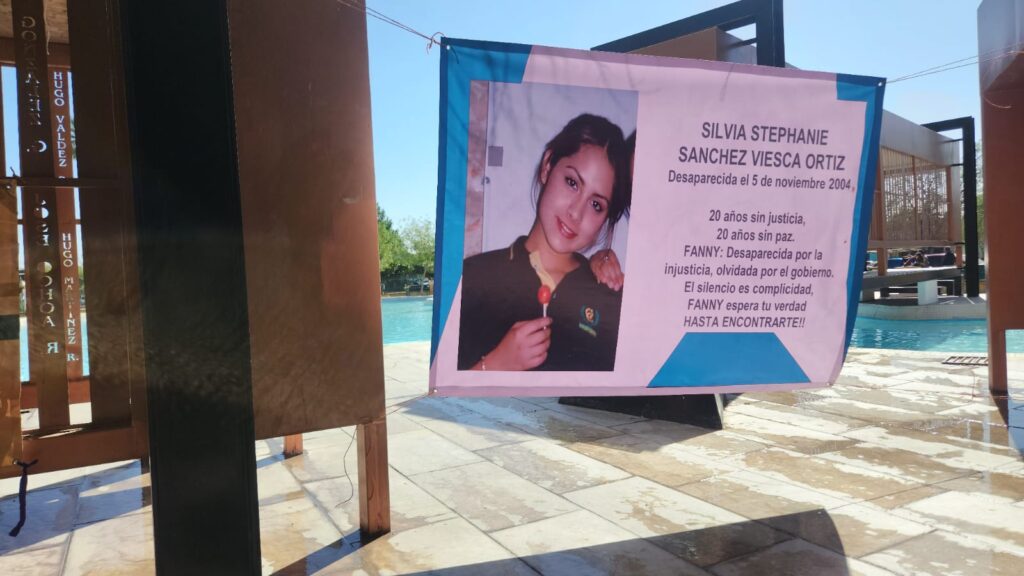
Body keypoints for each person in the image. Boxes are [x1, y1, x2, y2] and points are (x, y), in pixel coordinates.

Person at [458, 113, 631, 371]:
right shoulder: (474, 277)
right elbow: (443, 387)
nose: (576, 212)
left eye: (596, 204)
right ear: (548, 166)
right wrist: (495, 364)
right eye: (572, 183)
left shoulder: (612, 298)